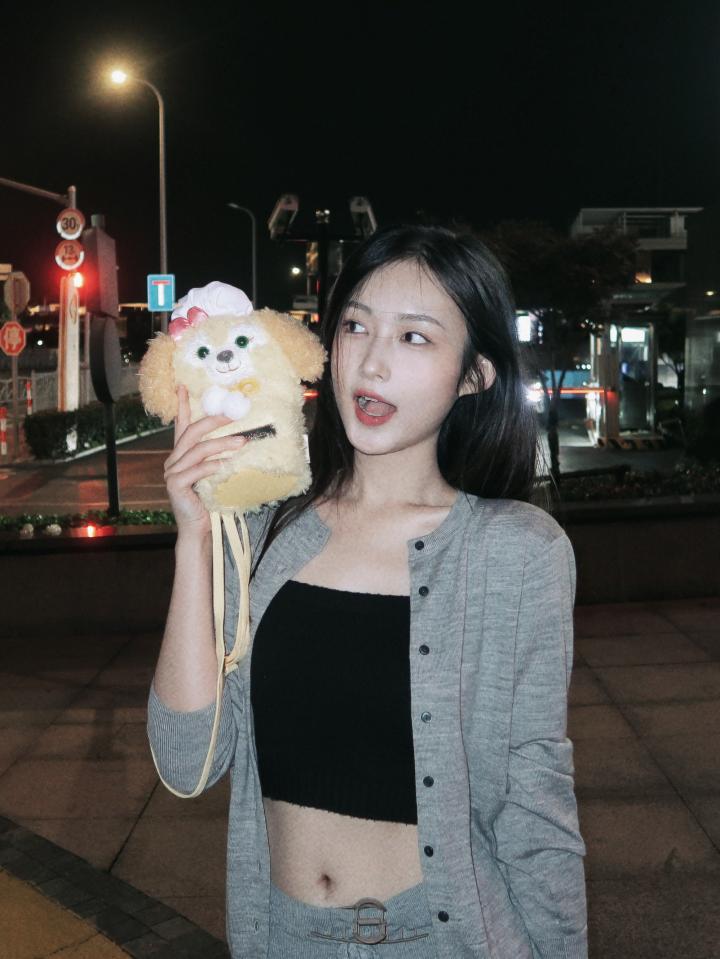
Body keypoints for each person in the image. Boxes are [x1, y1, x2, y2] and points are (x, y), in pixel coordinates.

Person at [147, 224, 588, 959]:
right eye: (355, 326)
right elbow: (187, 757)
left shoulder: (514, 552)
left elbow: (534, 803)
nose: (372, 362)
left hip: (439, 938)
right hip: (280, 937)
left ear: (475, 374)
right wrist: (195, 532)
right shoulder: (263, 532)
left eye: (414, 337)